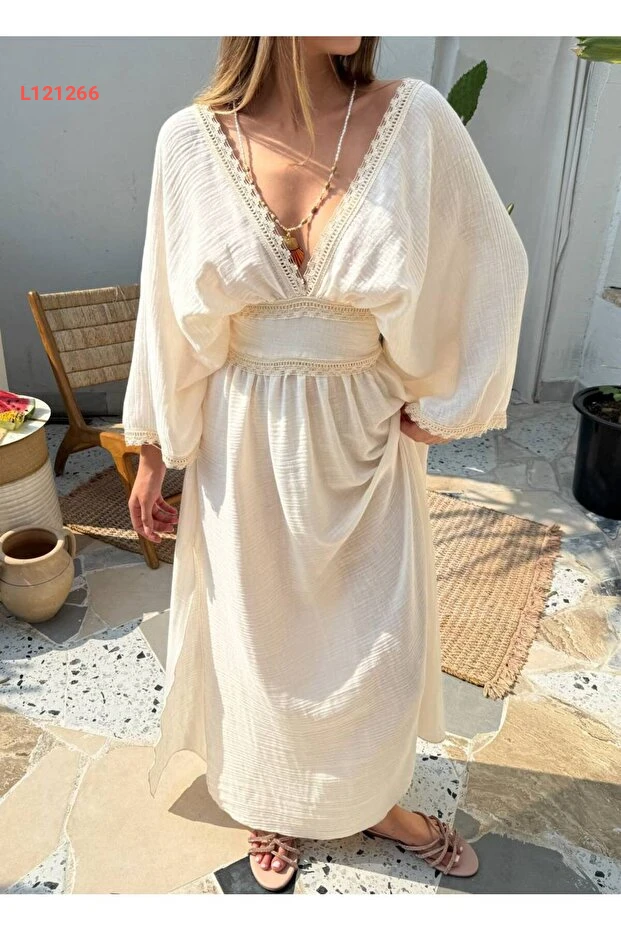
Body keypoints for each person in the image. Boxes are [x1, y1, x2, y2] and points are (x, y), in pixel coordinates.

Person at [122, 36, 529, 892]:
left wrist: (453, 402)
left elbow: (493, 255)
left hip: (364, 438)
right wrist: (154, 450)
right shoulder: (189, 141)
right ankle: (271, 797)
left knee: (377, 651)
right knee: (259, 646)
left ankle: (375, 800)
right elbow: (166, 305)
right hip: (244, 445)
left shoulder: (413, 118)